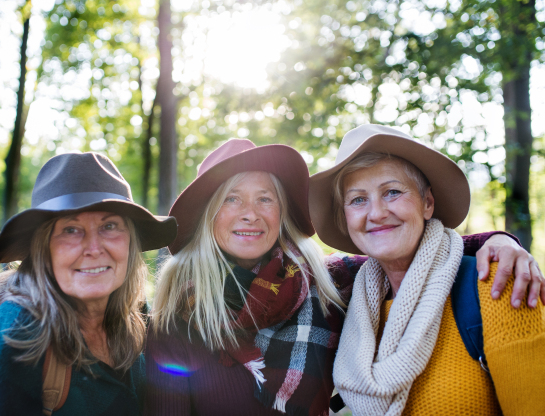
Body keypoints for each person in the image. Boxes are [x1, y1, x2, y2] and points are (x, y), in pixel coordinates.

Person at [144, 139, 538, 416]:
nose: (251, 212)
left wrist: (500, 241)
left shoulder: (324, 284)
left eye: (265, 198)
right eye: (231, 198)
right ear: (207, 216)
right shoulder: (174, 317)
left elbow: (410, 252)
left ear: (281, 213)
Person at [309, 124, 545, 415]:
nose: (377, 212)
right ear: (346, 218)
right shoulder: (348, 305)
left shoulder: (498, 284)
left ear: (427, 203)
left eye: (392, 192)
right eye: (358, 199)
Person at [0, 152, 177, 416]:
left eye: (110, 226)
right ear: (43, 249)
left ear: (131, 241)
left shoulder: (138, 313)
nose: (94, 248)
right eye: (70, 230)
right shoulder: (19, 333)